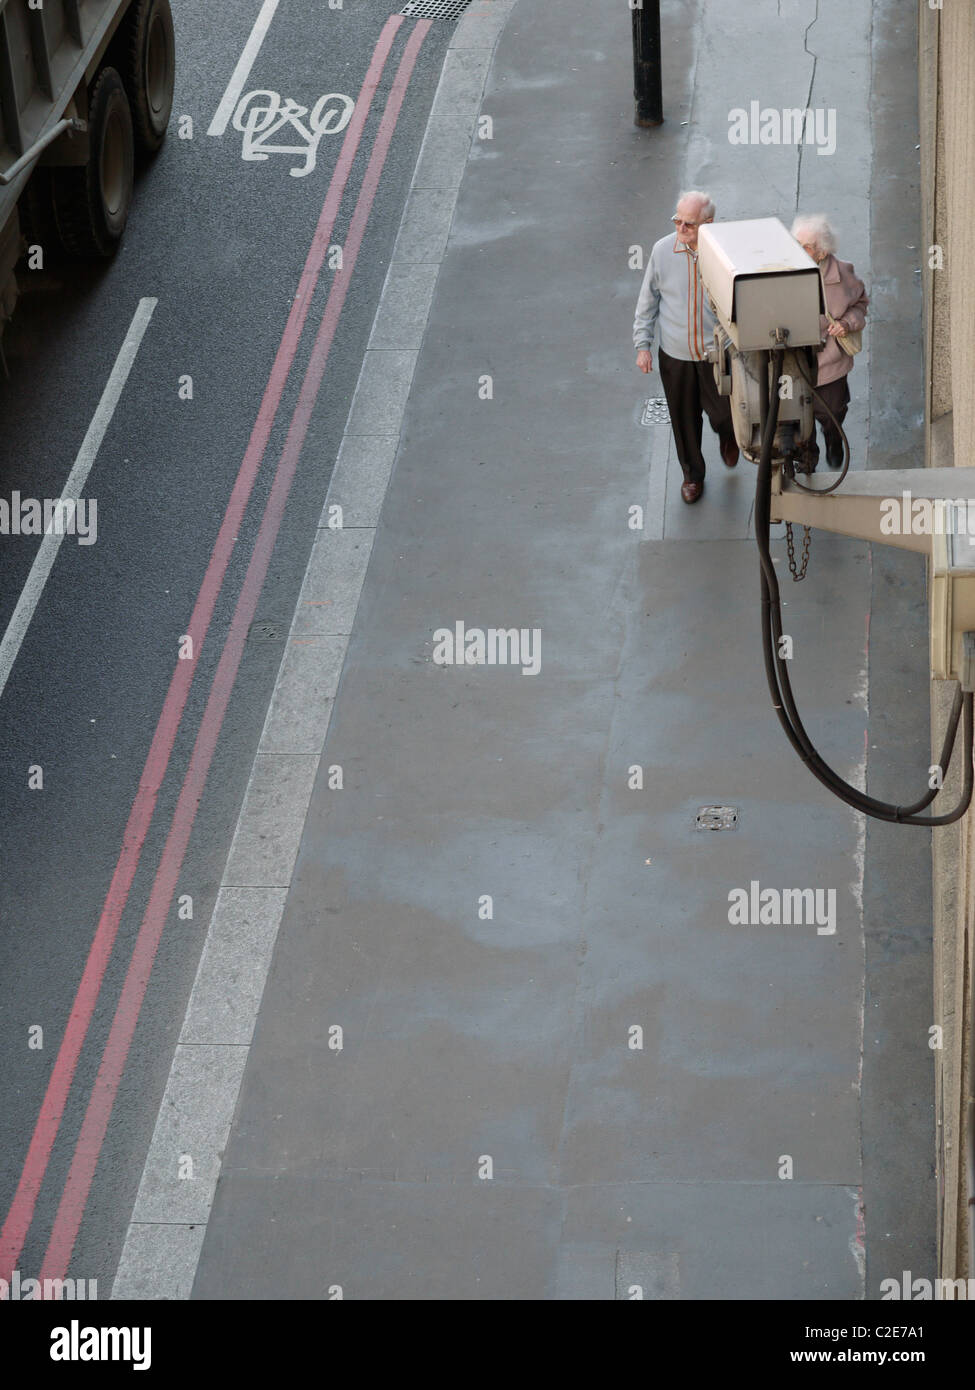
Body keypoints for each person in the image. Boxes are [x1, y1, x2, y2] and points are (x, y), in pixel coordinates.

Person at [633, 190, 738, 504]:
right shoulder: (663, 251)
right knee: (684, 420)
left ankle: (728, 435)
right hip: (675, 356)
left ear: (708, 223)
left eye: (689, 224)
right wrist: (643, 345)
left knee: (725, 413)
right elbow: (647, 300)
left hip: (716, 354)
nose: (681, 229)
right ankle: (692, 477)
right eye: (677, 221)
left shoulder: (724, 252)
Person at [791, 214, 869, 469]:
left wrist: (846, 323)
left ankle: (833, 438)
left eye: (804, 246)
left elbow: (860, 305)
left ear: (822, 253)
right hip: (794, 362)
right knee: (797, 418)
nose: (796, 249)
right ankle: (807, 459)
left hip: (830, 362)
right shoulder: (785, 270)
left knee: (832, 412)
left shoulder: (843, 273)